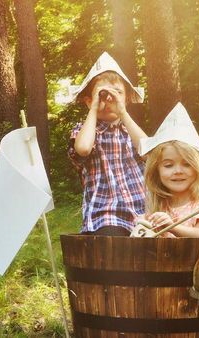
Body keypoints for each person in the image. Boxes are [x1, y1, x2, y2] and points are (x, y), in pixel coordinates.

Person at [67, 52, 148, 236]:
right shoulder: (85, 131)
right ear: (89, 102)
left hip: (143, 210)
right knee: (114, 249)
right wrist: (95, 108)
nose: (110, 99)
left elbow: (150, 152)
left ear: (126, 99)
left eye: (118, 93)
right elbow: (83, 148)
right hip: (106, 214)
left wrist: (123, 112)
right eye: (102, 95)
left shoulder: (130, 130)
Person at [136, 102, 199, 238]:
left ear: (198, 168)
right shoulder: (160, 207)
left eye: (187, 164)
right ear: (156, 170)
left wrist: (172, 227)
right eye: (168, 165)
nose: (178, 171)